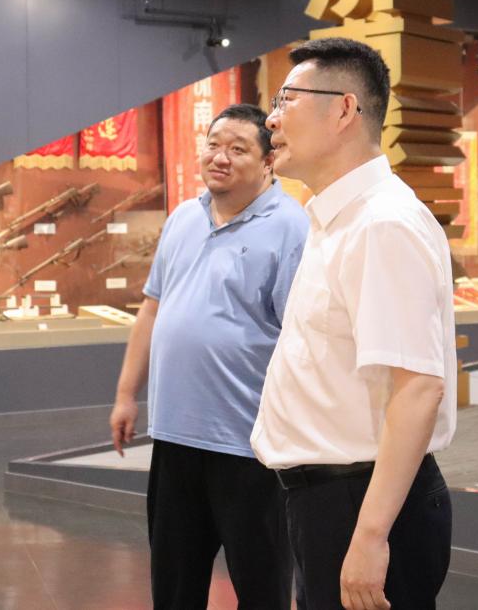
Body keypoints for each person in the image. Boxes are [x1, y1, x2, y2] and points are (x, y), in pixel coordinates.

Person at [251, 37, 456, 610]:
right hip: (329, 501)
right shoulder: (337, 220)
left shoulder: (381, 223)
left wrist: (368, 537)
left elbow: (419, 388)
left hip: (361, 503)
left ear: (344, 109)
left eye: (286, 100)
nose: (271, 120)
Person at [110, 104, 309, 609]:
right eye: (214, 144)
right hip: (175, 437)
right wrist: (126, 395)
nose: (220, 157)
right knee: (174, 588)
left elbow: (301, 338)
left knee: (262, 589)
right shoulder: (183, 217)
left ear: (268, 161)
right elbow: (152, 309)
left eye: (238, 149)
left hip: (250, 446)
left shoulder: (291, 227)